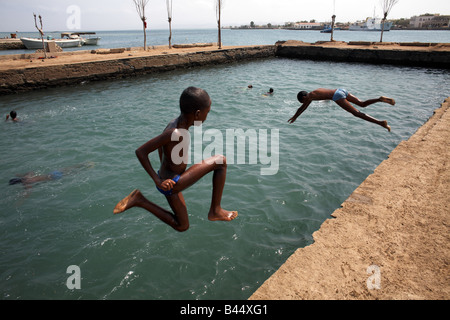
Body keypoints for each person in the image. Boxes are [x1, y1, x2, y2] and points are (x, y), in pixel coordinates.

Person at [113, 87, 237, 232]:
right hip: (173, 183)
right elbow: (141, 152)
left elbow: (161, 147)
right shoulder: (176, 133)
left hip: (168, 181)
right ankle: (215, 210)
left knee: (182, 225)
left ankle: (140, 200)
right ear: (197, 114)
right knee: (220, 161)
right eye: (207, 112)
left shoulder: (175, 124)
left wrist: (163, 172)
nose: (207, 116)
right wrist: (157, 181)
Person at [288, 88, 395, 131]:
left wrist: (294, 117)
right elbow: (304, 106)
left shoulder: (310, 96)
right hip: (341, 90)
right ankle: (379, 99)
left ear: (303, 98)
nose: (305, 102)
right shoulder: (313, 93)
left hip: (336, 96)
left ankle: (381, 123)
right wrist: (296, 116)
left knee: (356, 113)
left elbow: (302, 108)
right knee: (362, 104)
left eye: (303, 101)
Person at [8, 162, 94, 189]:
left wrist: (21, 199)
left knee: (72, 173)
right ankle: (84, 164)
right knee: (69, 168)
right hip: (52, 173)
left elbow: (27, 192)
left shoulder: (26, 183)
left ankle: (87, 168)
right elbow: (31, 172)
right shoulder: (27, 177)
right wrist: (20, 174)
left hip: (53, 178)